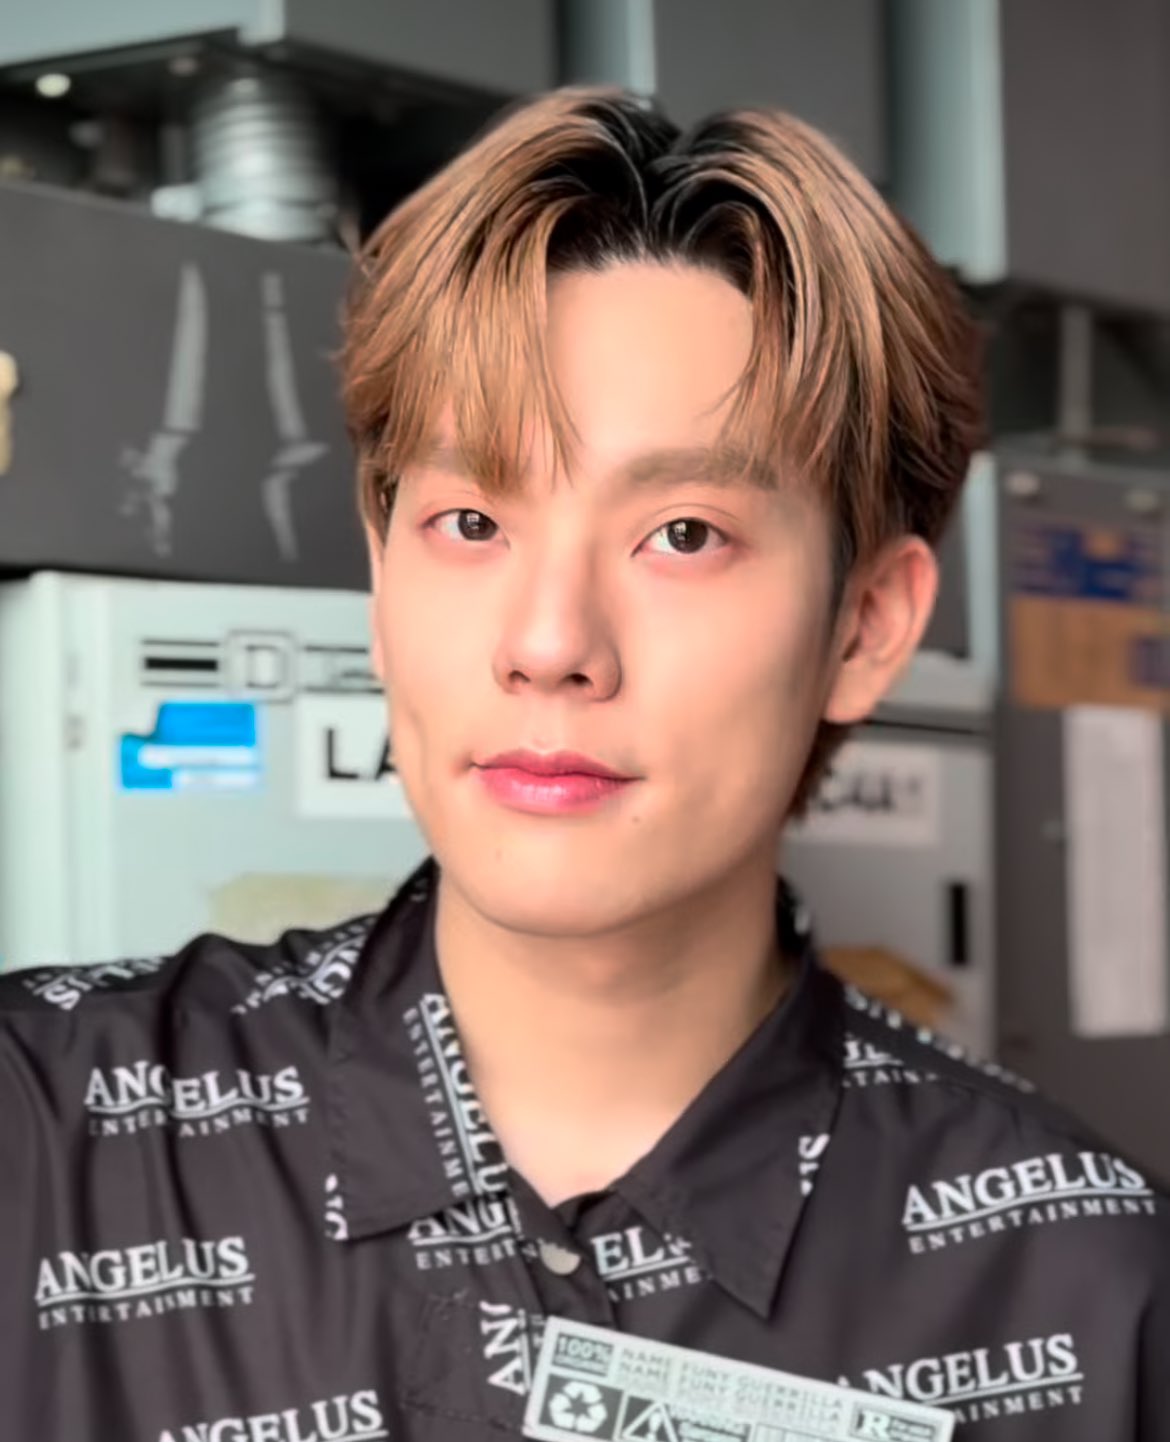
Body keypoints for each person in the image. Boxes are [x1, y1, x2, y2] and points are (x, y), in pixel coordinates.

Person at [2, 86, 1165, 1442]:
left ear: (863, 626)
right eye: (469, 521)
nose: (549, 643)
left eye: (683, 533)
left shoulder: (1082, 1286)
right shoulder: (43, 1137)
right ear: (380, 579)